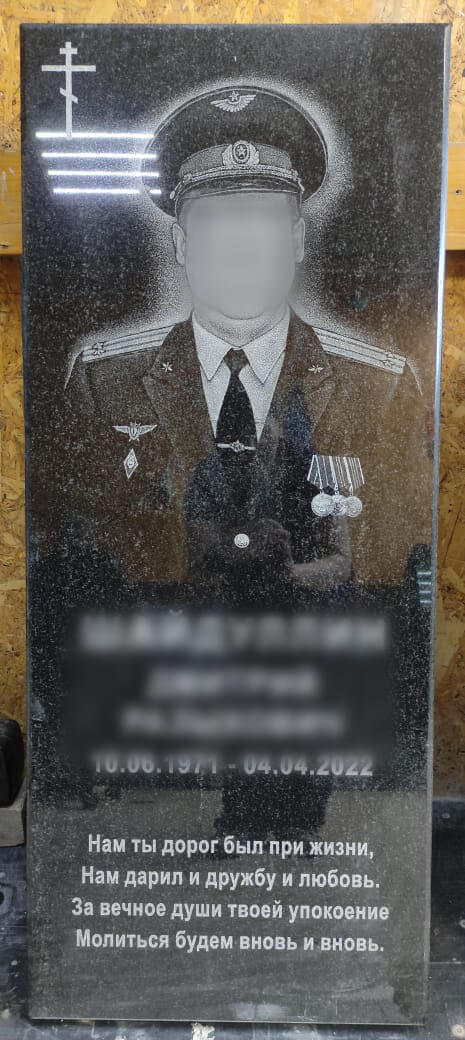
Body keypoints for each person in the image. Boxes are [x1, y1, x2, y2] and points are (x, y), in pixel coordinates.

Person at [64, 86, 430, 595]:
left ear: (296, 239)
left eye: (262, 216)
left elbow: (398, 570)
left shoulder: (380, 388)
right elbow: (76, 568)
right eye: (215, 219)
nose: (241, 247)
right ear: (181, 243)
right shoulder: (104, 383)